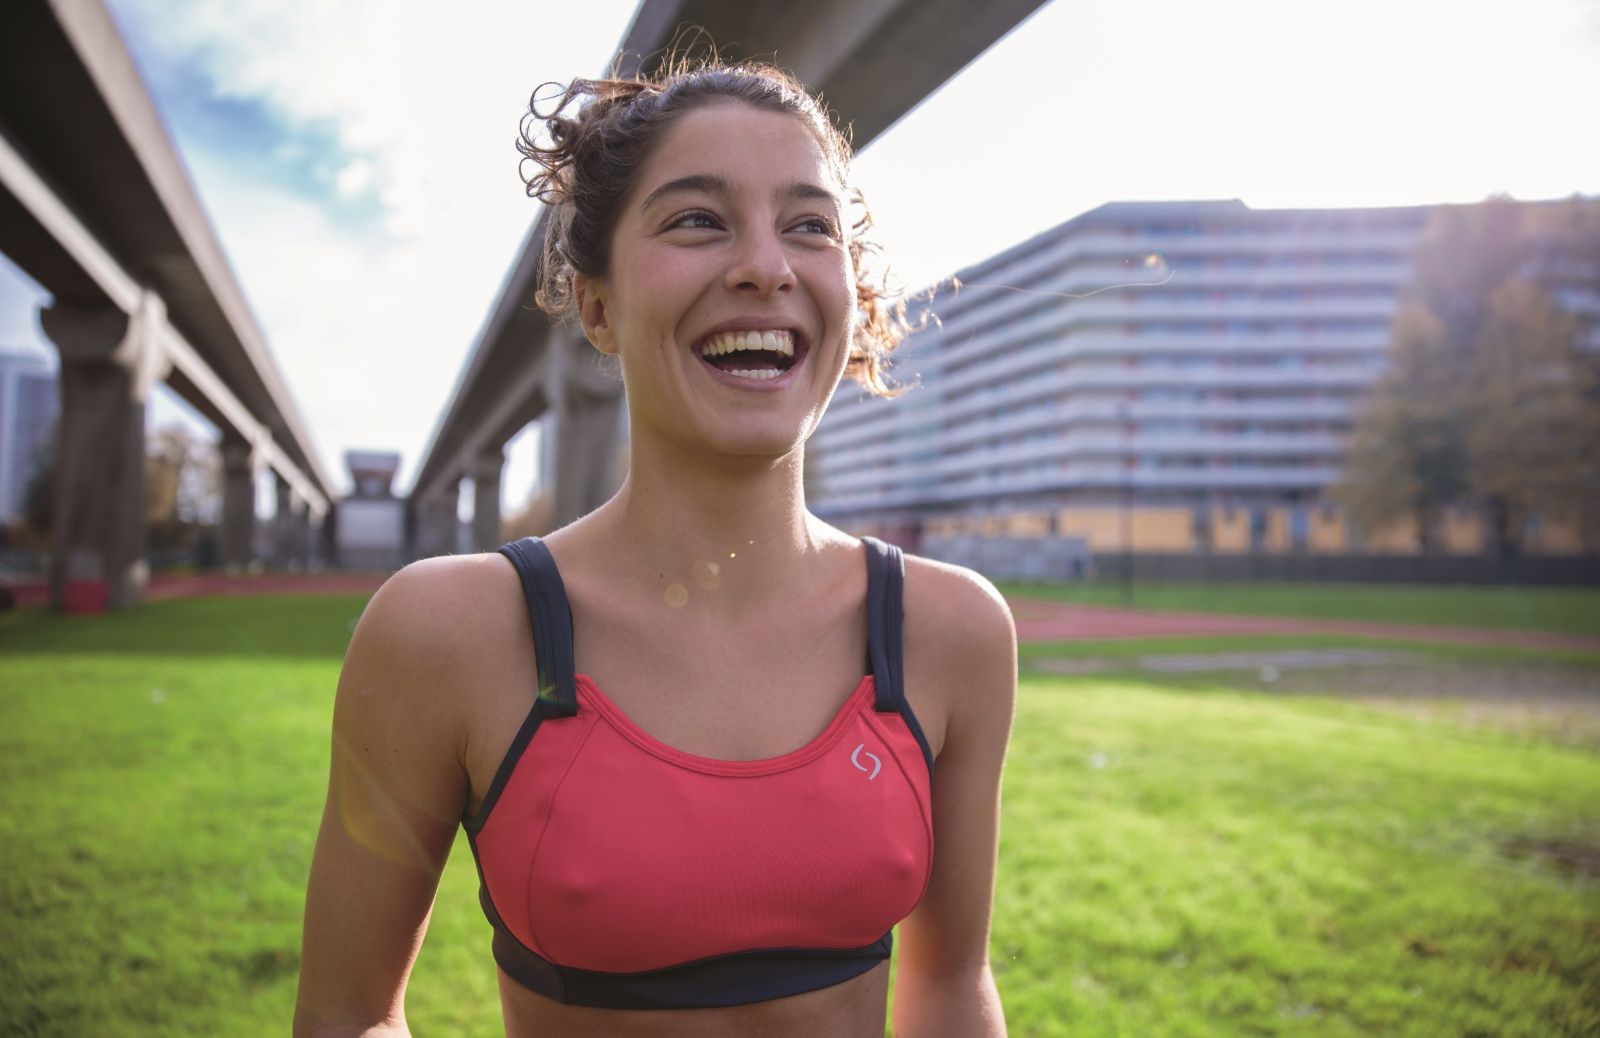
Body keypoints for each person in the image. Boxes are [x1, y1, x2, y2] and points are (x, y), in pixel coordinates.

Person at [294, 57, 1016, 1038]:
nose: (767, 264)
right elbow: (348, 1016)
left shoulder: (951, 631)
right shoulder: (446, 634)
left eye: (810, 226)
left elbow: (948, 986)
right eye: (697, 221)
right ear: (596, 306)